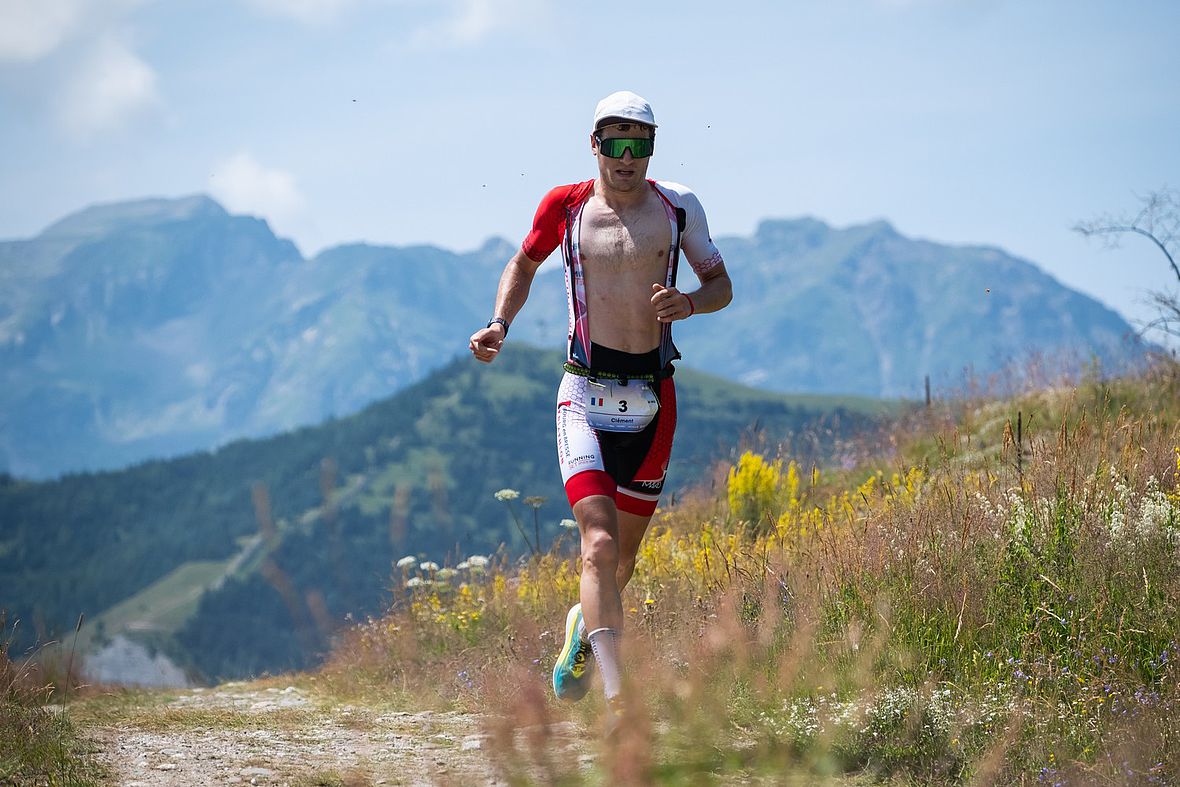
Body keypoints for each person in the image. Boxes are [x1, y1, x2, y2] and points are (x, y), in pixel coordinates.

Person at [468, 90, 732, 717]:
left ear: (651, 150)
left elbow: (722, 284)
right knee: (599, 546)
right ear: (594, 145)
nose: (625, 157)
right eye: (613, 143)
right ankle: (618, 695)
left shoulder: (678, 207)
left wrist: (690, 302)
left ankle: (579, 636)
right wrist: (500, 324)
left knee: (625, 561)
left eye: (638, 144)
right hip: (583, 393)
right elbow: (523, 264)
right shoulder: (565, 207)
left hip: (652, 397)